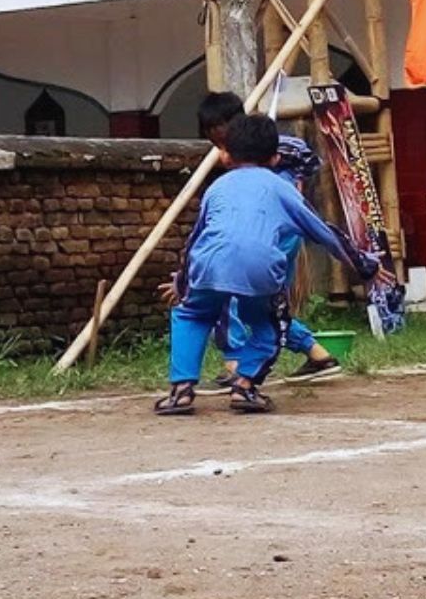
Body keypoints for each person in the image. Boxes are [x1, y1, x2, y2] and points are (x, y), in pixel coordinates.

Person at [154, 114, 369, 415]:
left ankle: (181, 391)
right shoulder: (282, 188)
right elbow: (323, 231)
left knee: (191, 314)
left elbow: (195, 239)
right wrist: (364, 266)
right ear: (275, 157)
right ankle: (244, 386)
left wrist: (181, 281)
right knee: (268, 325)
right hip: (260, 270)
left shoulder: (216, 188)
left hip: (207, 264)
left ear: (226, 155)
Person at [193, 91, 343, 391]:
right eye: (209, 134)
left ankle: (235, 363)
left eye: (218, 129)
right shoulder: (230, 153)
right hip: (268, 230)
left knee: (231, 292)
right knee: (263, 304)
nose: (215, 138)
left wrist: (282, 174)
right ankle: (317, 354)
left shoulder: (268, 148)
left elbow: (307, 158)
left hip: (274, 231)